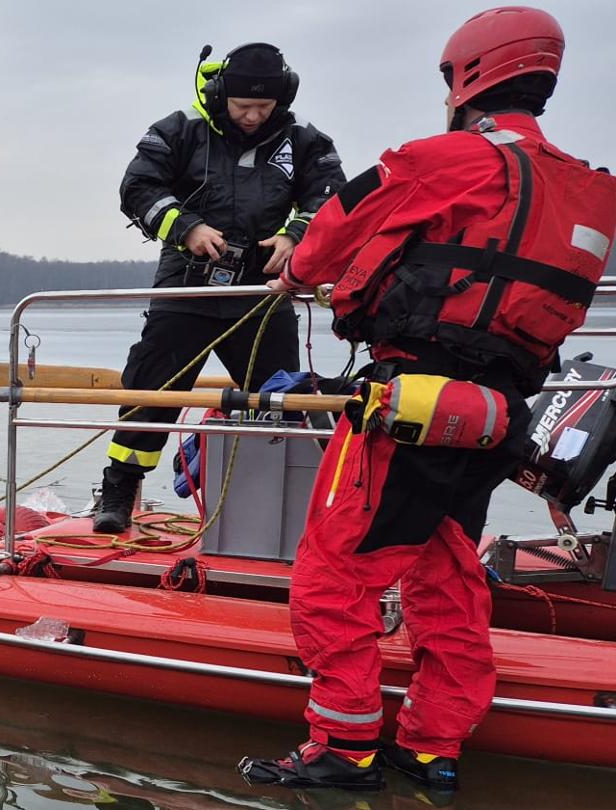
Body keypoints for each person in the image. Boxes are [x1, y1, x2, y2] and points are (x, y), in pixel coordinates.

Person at [243, 7, 616, 792]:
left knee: (333, 576)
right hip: (497, 416)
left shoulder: (440, 159)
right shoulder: (592, 189)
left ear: (465, 78)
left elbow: (333, 233)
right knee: (447, 575)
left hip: (409, 400)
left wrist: (297, 272)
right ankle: (431, 748)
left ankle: (341, 750)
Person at [97, 42, 346, 533]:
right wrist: (185, 226)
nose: (253, 116)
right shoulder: (179, 130)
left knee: (280, 403)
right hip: (187, 287)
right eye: (243, 107)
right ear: (222, 96)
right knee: (151, 392)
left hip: (262, 293)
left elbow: (332, 198)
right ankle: (119, 493)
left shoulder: (304, 141)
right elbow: (137, 188)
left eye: (264, 107)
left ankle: (281, 514)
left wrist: (295, 235)